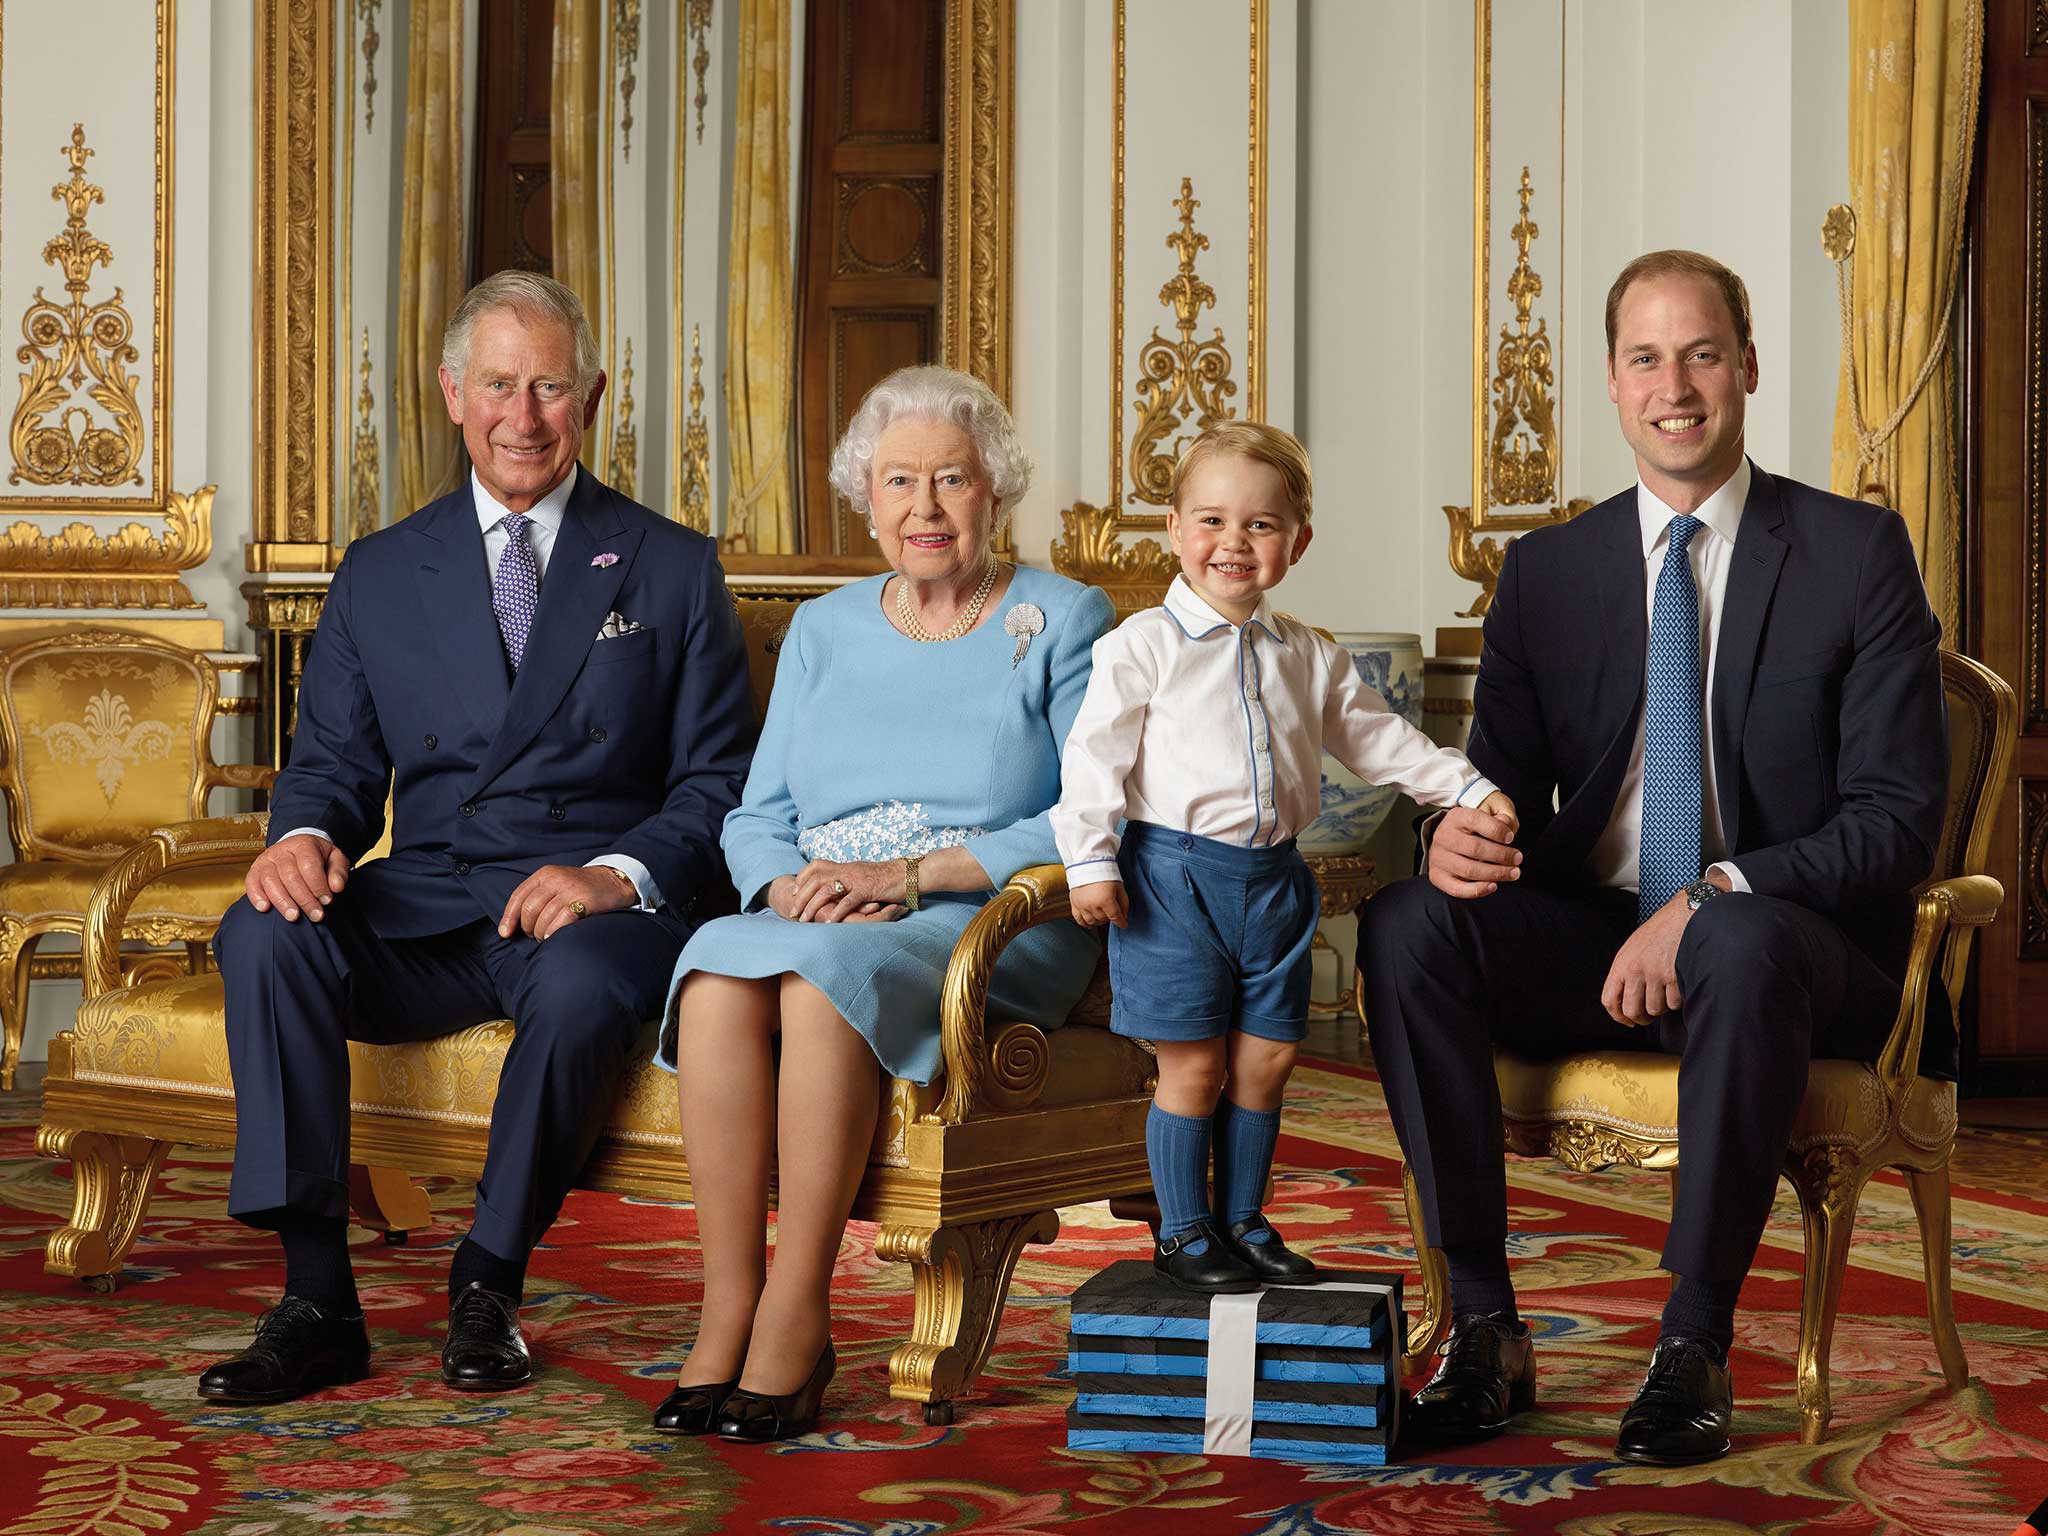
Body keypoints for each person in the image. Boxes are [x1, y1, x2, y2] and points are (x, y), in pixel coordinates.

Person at [1358, 250, 1948, 1466]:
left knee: (1729, 933)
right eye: (1644, 358)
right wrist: (1453, 836)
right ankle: (1481, 1328)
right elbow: (1501, 793)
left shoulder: (1852, 554)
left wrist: (1714, 890)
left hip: (1795, 948)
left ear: (1743, 367)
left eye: (1698, 354)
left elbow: (1893, 820)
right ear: (1611, 386)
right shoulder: (1549, 572)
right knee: (1409, 921)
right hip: (1597, 934)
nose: (1672, 385)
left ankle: (1691, 1345)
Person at [198, 272, 754, 1405]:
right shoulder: (381, 570)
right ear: (452, 393)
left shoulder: (672, 565)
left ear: (591, 397)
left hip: (589, 906)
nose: (524, 415)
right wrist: (301, 837)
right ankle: (317, 1299)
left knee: (591, 980)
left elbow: (720, 785)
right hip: (436, 896)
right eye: (498, 384)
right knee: (265, 931)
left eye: (549, 386)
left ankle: (487, 1282)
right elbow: (334, 773)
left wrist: (614, 875)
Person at [653, 365, 1115, 1443]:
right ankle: (728, 1304)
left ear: (992, 491)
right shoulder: (823, 628)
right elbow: (753, 813)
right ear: (865, 495)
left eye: (950, 479)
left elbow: (1092, 814)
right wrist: (783, 883)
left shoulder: (1060, 617)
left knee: (822, 989)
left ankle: (796, 1313)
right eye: (897, 480)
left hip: (982, 920)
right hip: (819, 909)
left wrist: (912, 877)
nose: (923, 507)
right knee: (719, 969)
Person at [1052, 421, 1517, 1294]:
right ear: (1174, 531)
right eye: (1212, 521)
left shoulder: (1305, 652)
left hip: (1274, 882)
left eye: (1261, 526)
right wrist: (1089, 862)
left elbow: (1378, 740)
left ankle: (1243, 1217)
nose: (1234, 543)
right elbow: (1092, 760)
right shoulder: (1138, 647)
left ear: (1297, 542)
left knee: (1265, 1059)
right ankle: (1184, 1231)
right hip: (1173, 880)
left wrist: (1462, 788)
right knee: (1191, 1063)